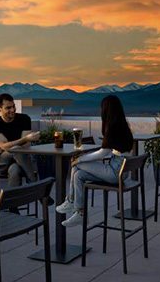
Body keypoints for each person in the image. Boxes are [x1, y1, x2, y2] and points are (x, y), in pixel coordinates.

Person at [61, 95, 134, 227]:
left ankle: (71, 202)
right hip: (121, 170)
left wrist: (79, 159)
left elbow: (102, 153)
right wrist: (79, 160)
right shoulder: (123, 125)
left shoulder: (112, 127)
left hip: (115, 171)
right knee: (78, 174)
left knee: (76, 164)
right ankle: (79, 212)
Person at [0, 93, 40, 188]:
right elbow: (5, 145)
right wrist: (25, 139)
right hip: (3, 160)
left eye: (13, 106)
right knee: (16, 148)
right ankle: (35, 184)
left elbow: (25, 146)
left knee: (14, 170)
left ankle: (11, 202)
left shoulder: (24, 119)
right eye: (8, 108)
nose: (12, 110)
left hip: (21, 159)